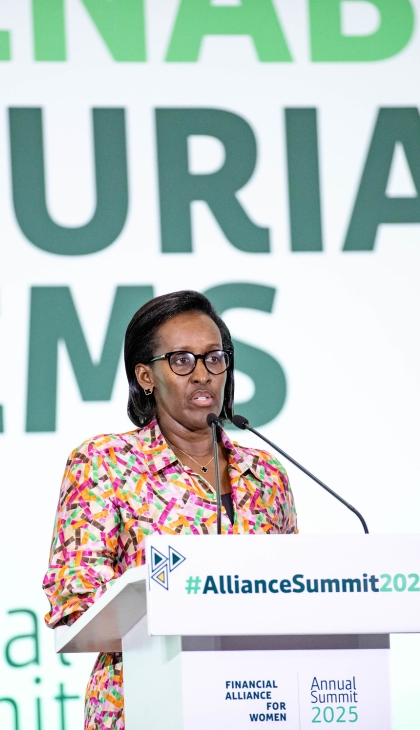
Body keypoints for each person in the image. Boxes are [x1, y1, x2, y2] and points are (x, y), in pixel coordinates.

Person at [41, 290, 297, 730]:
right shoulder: (105, 463)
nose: (202, 374)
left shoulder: (267, 474)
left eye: (214, 358)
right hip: (144, 703)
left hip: (259, 703)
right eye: (182, 361)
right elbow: (73, 597)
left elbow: (296, 592)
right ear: (145, 375)